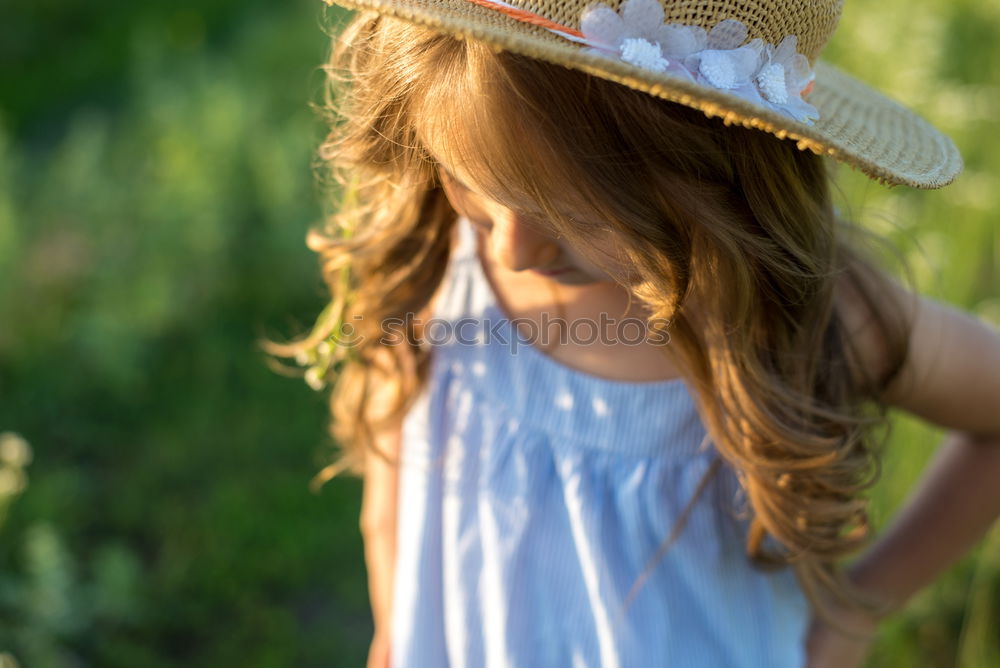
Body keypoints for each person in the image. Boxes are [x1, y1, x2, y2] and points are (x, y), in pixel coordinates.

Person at [266, 0, 1000, 665]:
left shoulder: (804, 315)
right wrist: (396, 626)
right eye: (475, 186)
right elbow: (404, 463)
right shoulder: (437, 255)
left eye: (579, 218)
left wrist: (858, 613)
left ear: (719, 173)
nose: (510, 251)